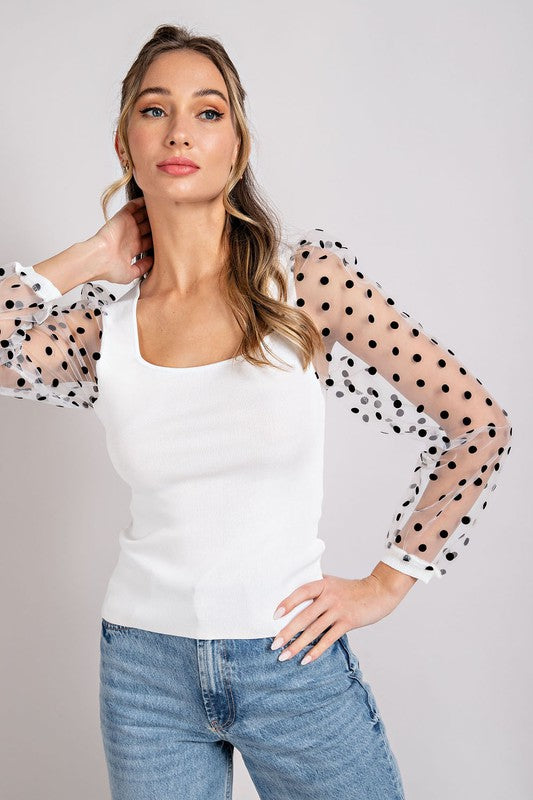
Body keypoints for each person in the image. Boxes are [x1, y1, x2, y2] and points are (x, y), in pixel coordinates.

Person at [0, 23, 512, 800]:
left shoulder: (307, 285)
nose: (179, 131)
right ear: (123, 145)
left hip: (290, 659)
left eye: (207, 112)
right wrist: (91, 256)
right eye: (154, 110)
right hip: (143, 670)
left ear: (236, 146)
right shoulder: (104, 326)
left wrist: (385, 583)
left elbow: (478, 423)